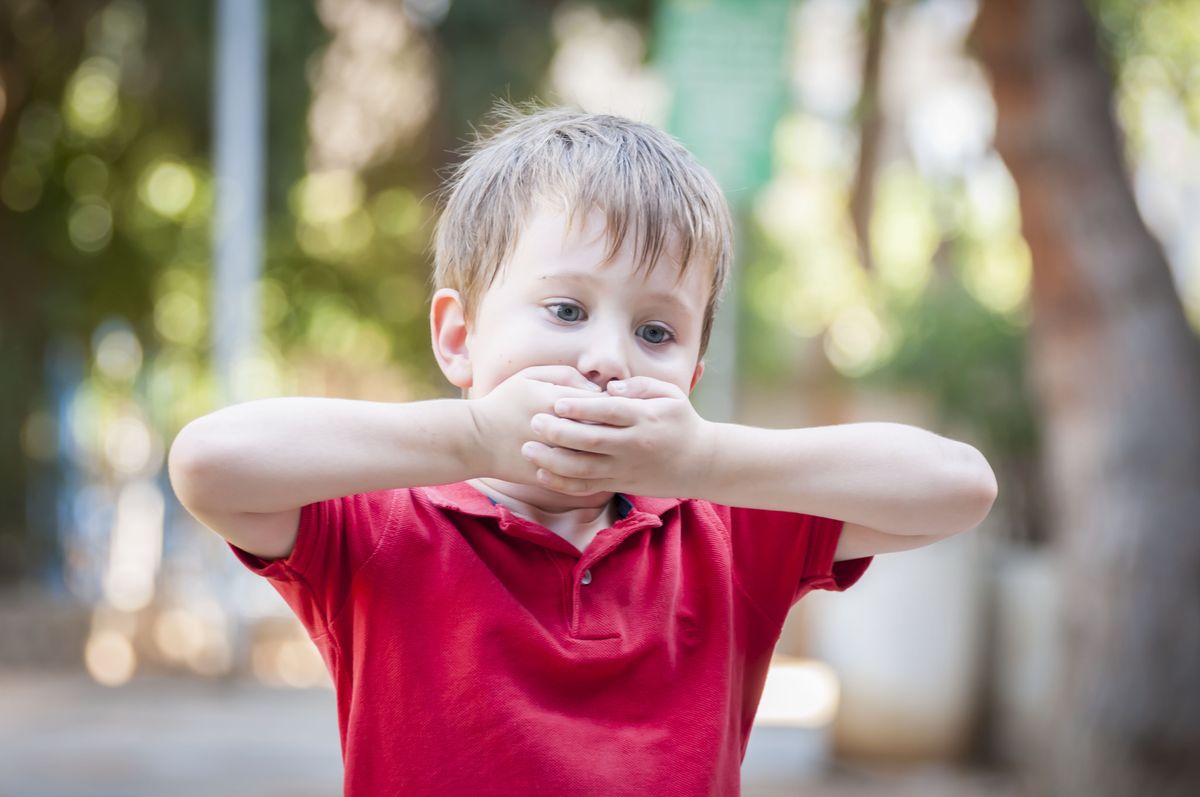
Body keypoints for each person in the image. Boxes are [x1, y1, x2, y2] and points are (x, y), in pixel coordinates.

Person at [167, 102, 997, 796]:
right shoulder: (386, 526)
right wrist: (472, 435)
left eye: (656, 330)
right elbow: (208, 462)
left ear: (693, 373)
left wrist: (705, 460)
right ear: (458, 338)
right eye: (566, 310)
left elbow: (960, 487)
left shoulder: (729, 531)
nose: (608, 356)